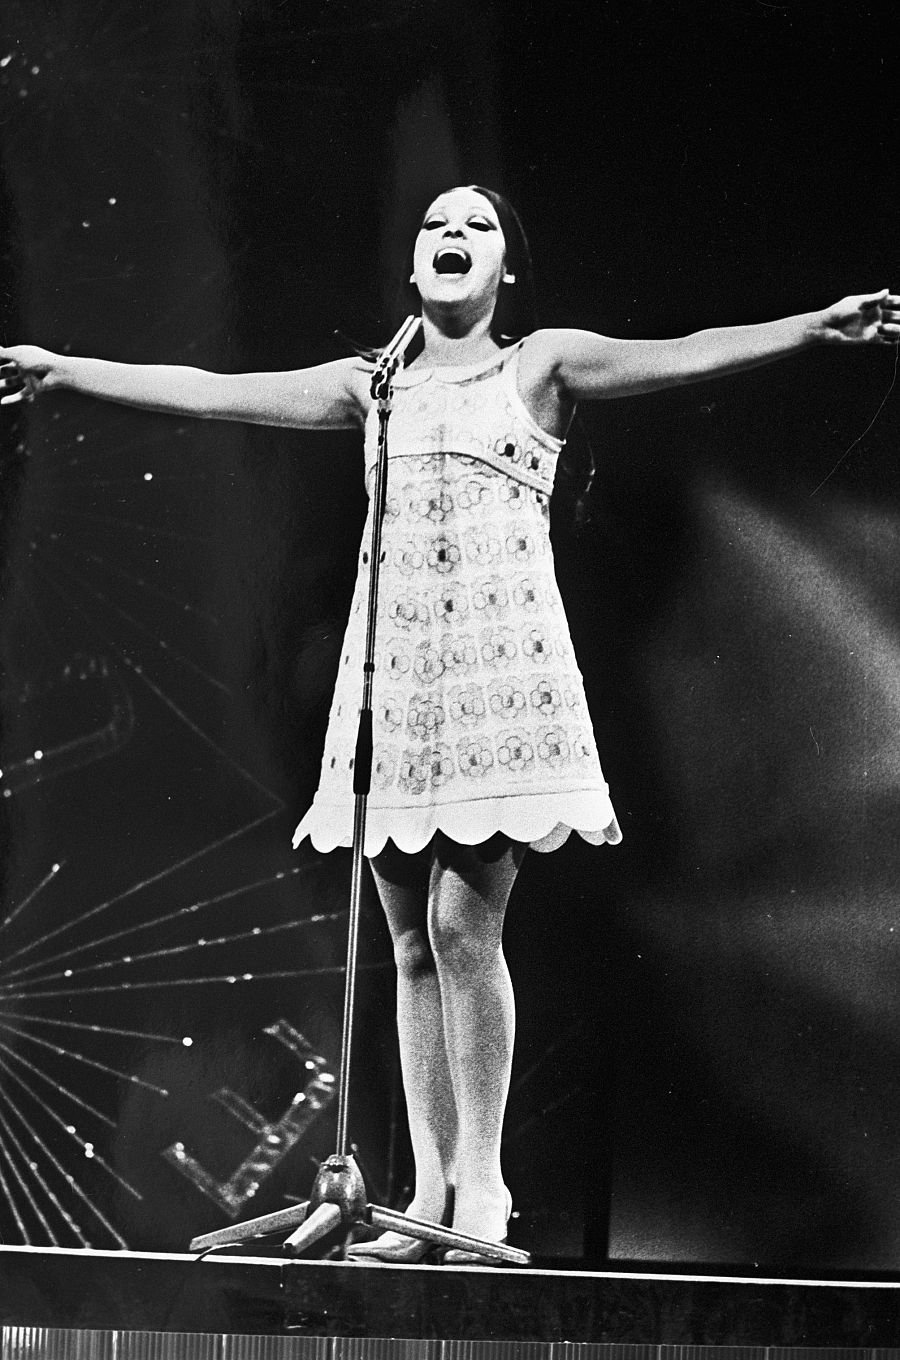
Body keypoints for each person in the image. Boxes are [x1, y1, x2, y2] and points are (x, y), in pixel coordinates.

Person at [1, 186, 897, 1264]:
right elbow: (209, 391)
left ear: (506, 267)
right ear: (412, 263)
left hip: (495, 684)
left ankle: (484, 1186)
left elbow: (687, 350)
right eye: (435, 225)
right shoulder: (369, 388)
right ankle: (427, 1192)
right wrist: (63, 369)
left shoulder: (541, 366)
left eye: (476, 225)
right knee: (409, 943)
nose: (453, 236)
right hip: (398, 690)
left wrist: (812, 326)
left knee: (468, 929)